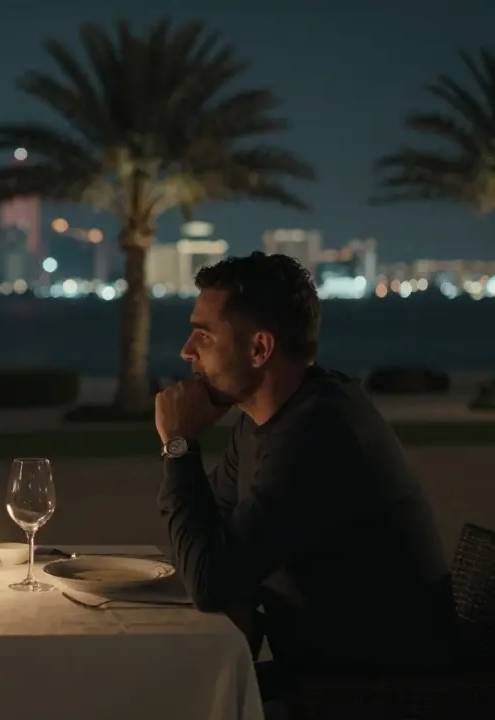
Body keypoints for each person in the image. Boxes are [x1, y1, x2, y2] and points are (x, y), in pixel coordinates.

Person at [154, 253, 457, 694]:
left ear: (260, 349)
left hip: (383, 694)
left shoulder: (319, 431)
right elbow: (207, 541)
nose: (186, 351)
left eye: (204, 335)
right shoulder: (262, 422)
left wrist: (179, 446)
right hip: (324, 675)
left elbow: (210, 581)